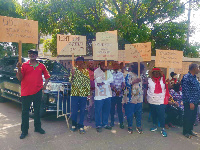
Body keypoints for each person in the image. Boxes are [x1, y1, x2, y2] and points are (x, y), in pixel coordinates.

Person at [16, 49, 50, 139]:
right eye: (30, 53)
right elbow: (20, 78)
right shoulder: (24, 65)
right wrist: (19, 69)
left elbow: (47, 76)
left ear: (36, 55)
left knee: (37, 110)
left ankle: (38, 128)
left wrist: (45, 85)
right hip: (26, 92)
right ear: (29, 55)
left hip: (38, 92)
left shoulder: (41, 66)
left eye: (34, 53)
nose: (32, 55)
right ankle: (24, 131)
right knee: (25, 112)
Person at [69, 56, 91, 134]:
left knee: (82, 110)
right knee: (74, 111)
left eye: (81, 61)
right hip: (75, 93)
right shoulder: (73, 70)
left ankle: (81, 125)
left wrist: (88, 93)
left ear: (83, 62)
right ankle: (74, 125)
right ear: (76, 62)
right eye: (78, 61)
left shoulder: (86, 71)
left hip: (83, 94)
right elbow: (70, 81)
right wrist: (72, 74)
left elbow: (87, 82)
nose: (80, 62)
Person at [147, 67, 169, 137]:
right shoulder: (149, 80)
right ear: (152, 73)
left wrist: (168, 83)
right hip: (151, 100)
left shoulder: (163, 80)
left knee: (161, 115)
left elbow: (168, 88)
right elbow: (146, 88)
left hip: (161, 100)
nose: (156, 73)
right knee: (154, 114)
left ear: (160, 73)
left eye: (158, 72)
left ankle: (162, 128)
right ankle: (154, 125)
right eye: (155, 72)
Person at [123, 63, 144, 134]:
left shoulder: (141, 75)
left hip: (139, 97)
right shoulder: (129, 74)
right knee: (130, 112)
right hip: (131, 97)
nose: (142, 71)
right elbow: (126, 84)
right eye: (141, 69)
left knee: (139, 112)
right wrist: (134, 81)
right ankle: (130, 126)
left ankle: (138, 126)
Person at [181, 63, 200, 138]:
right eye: (198, 68)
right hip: (189, 102)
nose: (199, 69)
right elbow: (186, 91)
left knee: (193, 117)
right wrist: (190, 102)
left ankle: (190, 130)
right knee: (188, 116)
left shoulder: (195, 77)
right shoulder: (186, 77)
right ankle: (185, 132)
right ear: (194, 68)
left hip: (195, 101)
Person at [94, 61, 113, 132]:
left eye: (106, 65)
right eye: (104, 65)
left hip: (108, 94)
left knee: (106, 110)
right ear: (100, 64)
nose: (106, 66)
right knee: (98, 111)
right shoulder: (96, 71)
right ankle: (98, 125)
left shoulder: (109, 72)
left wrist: (104, 82)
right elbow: (97, 80)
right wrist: (103, 80)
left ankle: (105, 123)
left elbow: (111, 79)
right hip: (99, 95)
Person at [110, 61, 125, 129]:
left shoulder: (121, 74)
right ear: (113, 66)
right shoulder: (110, 73)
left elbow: (123, 83)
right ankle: (112, 121)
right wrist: (115, 91)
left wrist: (120, 90)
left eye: (118, 65)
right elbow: (110, 83)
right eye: (115, 65)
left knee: (120, 109)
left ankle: (121, 122)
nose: (117, 66)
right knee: (112, 108)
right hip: (113, 94)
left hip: (120, 94)